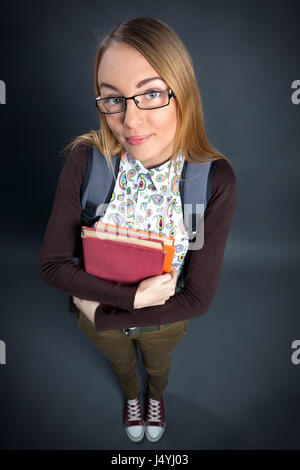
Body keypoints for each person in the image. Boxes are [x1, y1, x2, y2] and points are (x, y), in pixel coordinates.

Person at [39, 17, 238, 444]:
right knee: (122, 367)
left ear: (181, 91)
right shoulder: (87, 162)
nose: (130, 120)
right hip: (97, 318)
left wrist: (103, 310)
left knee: (157, 367)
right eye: (113, 100)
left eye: (150, 94)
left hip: (157, 320)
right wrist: (124, 303)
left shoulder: (212, 181)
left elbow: (198, 298)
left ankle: (156, 396)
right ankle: (133, 395)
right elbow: (51, 265)